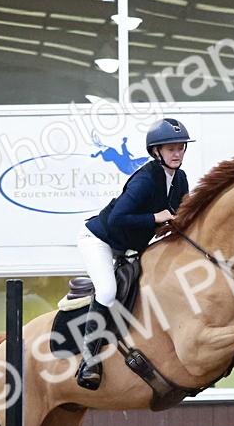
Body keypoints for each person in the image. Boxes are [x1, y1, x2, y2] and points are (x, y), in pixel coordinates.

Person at [75, 117, 193, 390]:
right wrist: (155, 217)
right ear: (156, 152)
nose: (176, 153)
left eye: (180, 148)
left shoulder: (181, 179)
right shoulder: (145, 179)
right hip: (100, 239)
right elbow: (117, 218)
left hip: (131, 247)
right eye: (170, 148)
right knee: (106, 291)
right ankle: (89, 361)